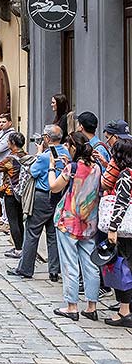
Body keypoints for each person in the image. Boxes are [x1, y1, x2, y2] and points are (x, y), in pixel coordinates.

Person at [48, 131, 101, 321]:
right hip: (89, 222)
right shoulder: (97, 167)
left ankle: (71, 306)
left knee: (70, 264)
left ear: (72, 148)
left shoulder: (71, 167)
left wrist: (52, 168)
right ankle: (91, 306)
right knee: (91, 264)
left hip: (68, 221)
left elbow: (54, 187)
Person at [8, 124, 70, 281]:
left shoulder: (44, 157)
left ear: (47, 138)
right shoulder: (66, 153)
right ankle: (54, 271)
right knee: (52, 234)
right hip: (59, 196)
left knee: (32, 232)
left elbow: (32, 171)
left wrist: (39, 152)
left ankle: (25, 268)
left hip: (42, 196)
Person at [0, 131, 30, 260]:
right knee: (19, 220)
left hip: (10, 192)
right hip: (22, 192)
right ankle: (22, 247)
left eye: (8, 142)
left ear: (13, 144)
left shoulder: (10, 159)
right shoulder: (26, 156)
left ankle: (18, 249)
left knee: (13, 221)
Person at [105, 139, 132, 327]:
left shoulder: (126, 175)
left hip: (126, 231)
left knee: (123, 267)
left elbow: (121, 204)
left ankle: (124, 311)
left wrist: (112, 228)